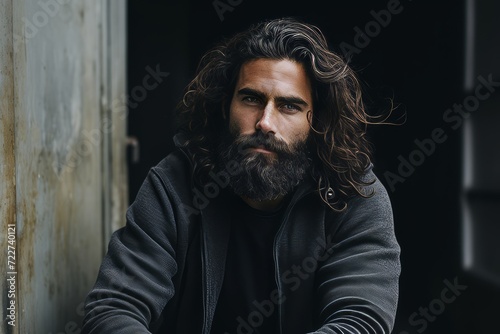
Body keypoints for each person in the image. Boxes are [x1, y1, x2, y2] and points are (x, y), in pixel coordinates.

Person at [82, 17, 401, 334]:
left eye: (288, 106)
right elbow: (113, 309)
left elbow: (361, 321)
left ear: (316, 120)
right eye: (251, 99)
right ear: (225, 105)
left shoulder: (353, 195)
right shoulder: (176, 183)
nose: (265, 122)